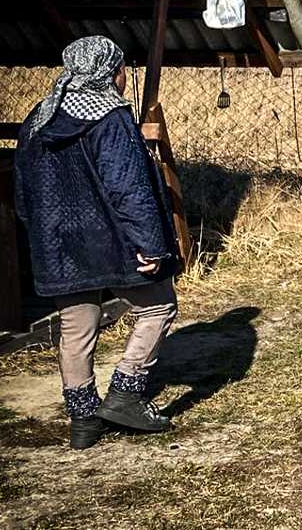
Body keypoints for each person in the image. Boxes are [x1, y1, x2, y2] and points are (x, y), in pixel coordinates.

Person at [14, 36, 182, 450]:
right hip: (110, 238)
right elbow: (129, 186)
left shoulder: (38, 118)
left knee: (76, 328)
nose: (125, 77)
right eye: (123, 69)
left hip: (59, 244)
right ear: (112, 72)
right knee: (159, 305)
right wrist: (151, 243)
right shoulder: (109, 116)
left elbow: (23, 193)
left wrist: (40, 236)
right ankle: (125, 392)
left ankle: (84, 420)